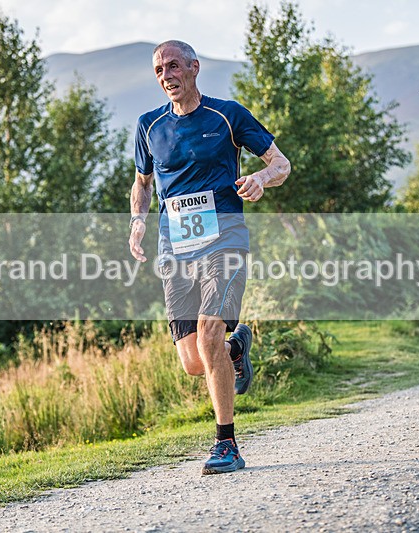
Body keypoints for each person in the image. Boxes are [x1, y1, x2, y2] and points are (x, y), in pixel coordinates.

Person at [128, 40, 290, 475]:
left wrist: (260, 179)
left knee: (209, 332)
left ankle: (226, 444)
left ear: (195, 68)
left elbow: (281, 163)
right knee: (195, 363)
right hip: (175, 249)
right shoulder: (148, 126)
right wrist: (137, 221)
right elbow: (142, 183)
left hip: (224, 241)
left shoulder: (228, 115)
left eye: (175, 66)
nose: (167, 75)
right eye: (160, 69)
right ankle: (237, 349)